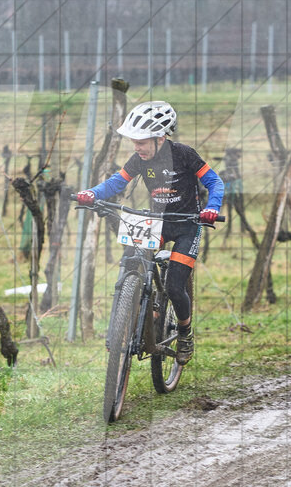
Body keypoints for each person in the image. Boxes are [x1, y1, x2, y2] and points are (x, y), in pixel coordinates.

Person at [76, 100, 224, 365]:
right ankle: (129, 320)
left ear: (159, 138)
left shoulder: (184, 154)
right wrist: (92, 194)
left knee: (175, 287)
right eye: (134, 141)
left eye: (141, 142)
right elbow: (116, 182)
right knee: (132, 262)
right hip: (156, 221)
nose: (136, 147)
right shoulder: (138, 159)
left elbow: (214, 181)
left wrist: (212, 208)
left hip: (187, 223)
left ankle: (185, 331)